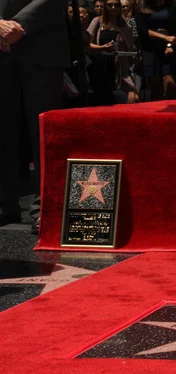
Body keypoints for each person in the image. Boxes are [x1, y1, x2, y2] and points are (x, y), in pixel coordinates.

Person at [0, 0, 70, 230]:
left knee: (44, 133)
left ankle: (47, 207)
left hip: (43, 44)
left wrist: (17, 25)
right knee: (2, 130)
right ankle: (4, 204)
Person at [87, 0, 137, 103]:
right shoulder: (97, 21)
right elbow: (87, 44)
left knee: (133, 97)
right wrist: (102, 47)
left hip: (119, 68)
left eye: (116, 5)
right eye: (110, 5)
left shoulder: (126, 26)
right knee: (104, 99)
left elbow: (130, 48)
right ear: (105, 6)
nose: (113, 8)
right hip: (99, 66)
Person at [135, 0, 176, 100]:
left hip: (170, 49)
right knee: (155, 88)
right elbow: (142, 30)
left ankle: (175, 113)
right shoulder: (141, 5)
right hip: (150, 50)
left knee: (171, 85)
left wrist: (170, 45)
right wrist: (164, 37)